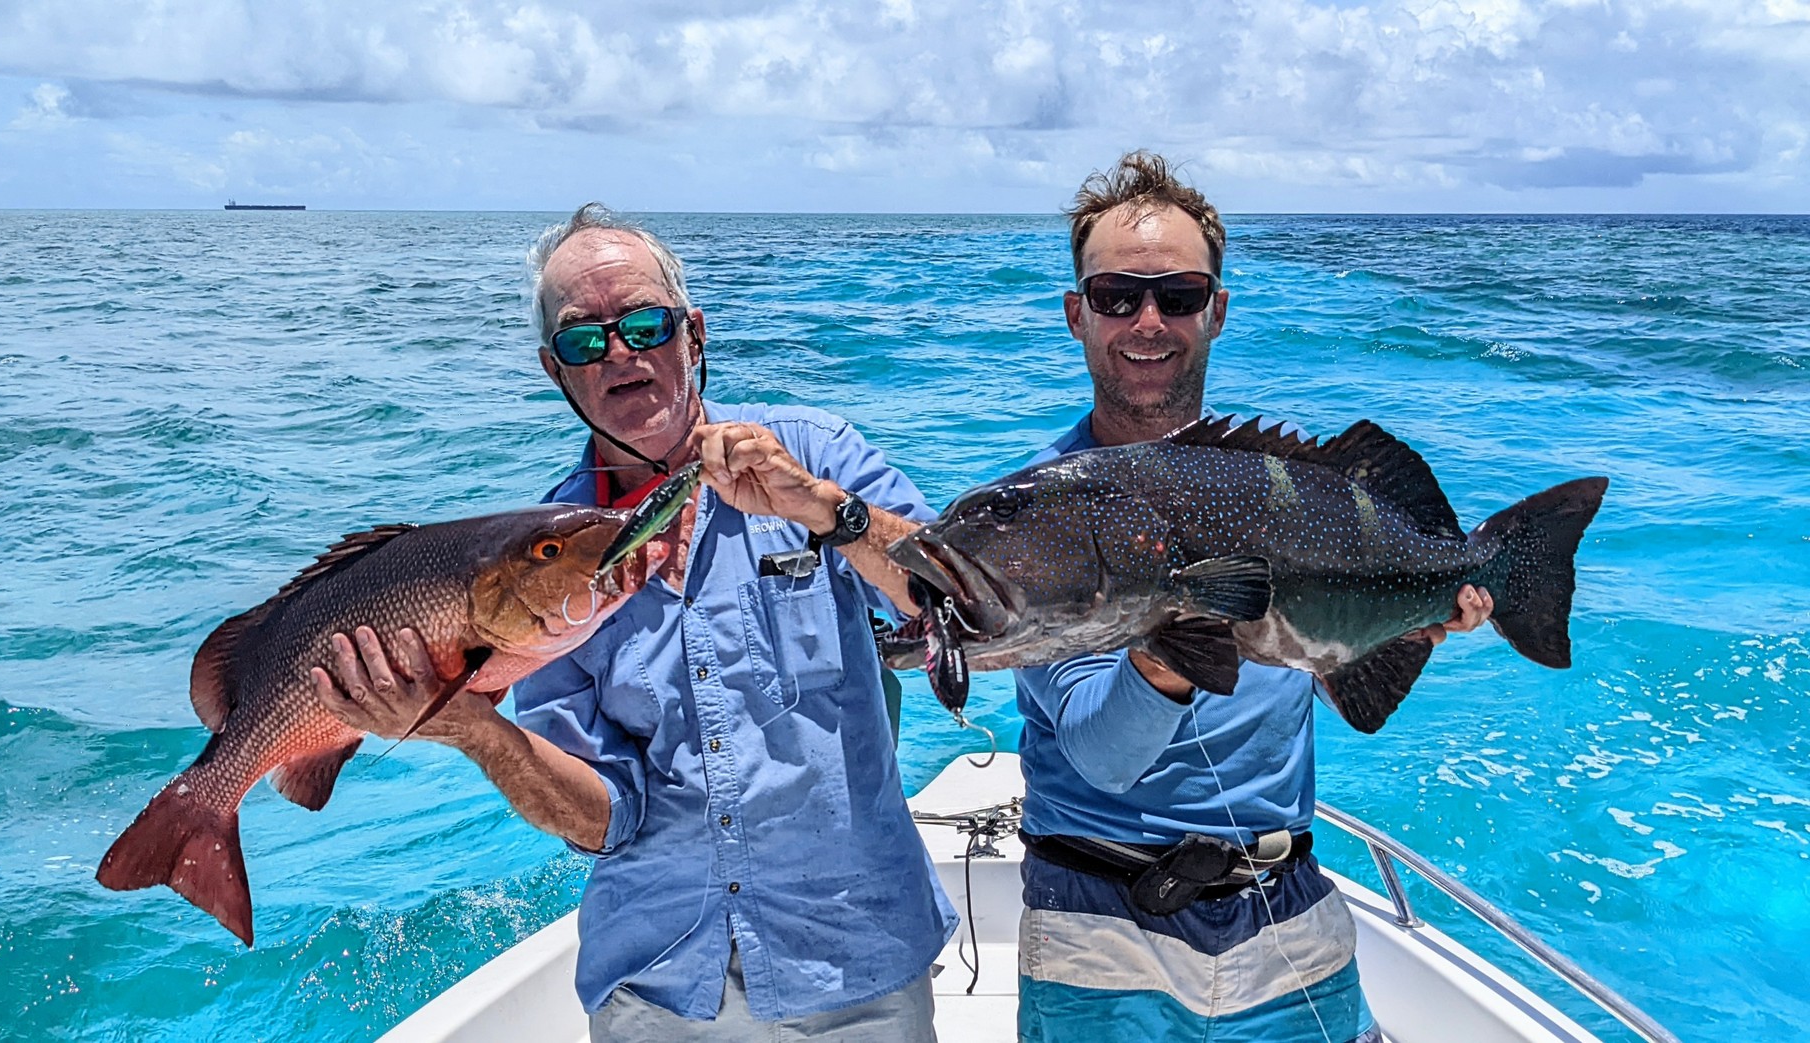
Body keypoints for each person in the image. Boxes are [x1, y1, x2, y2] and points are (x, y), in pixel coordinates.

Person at [313, 204, 955, 1041]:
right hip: (657, 986)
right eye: (586, 340)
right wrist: (472, 728)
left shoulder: (816, 454)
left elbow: (956, 601)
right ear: (557, 371)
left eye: (645, 325)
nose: (621, 354)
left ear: (692, 334)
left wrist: (825, 511)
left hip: (856, 961)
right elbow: (601, 816)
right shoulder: (535, 559)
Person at [1012, 152, 1493, 1043]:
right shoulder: (1043, 510)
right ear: (1077, 315)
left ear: (1217, 311)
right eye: (1118, 295)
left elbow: (1343, 671)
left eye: (1179, 295)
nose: (1148, 321)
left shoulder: (1291, 485)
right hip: (1097, 921)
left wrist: (1416, 623)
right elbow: (1099, 754)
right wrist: (1168, 647)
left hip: (1286, 903)